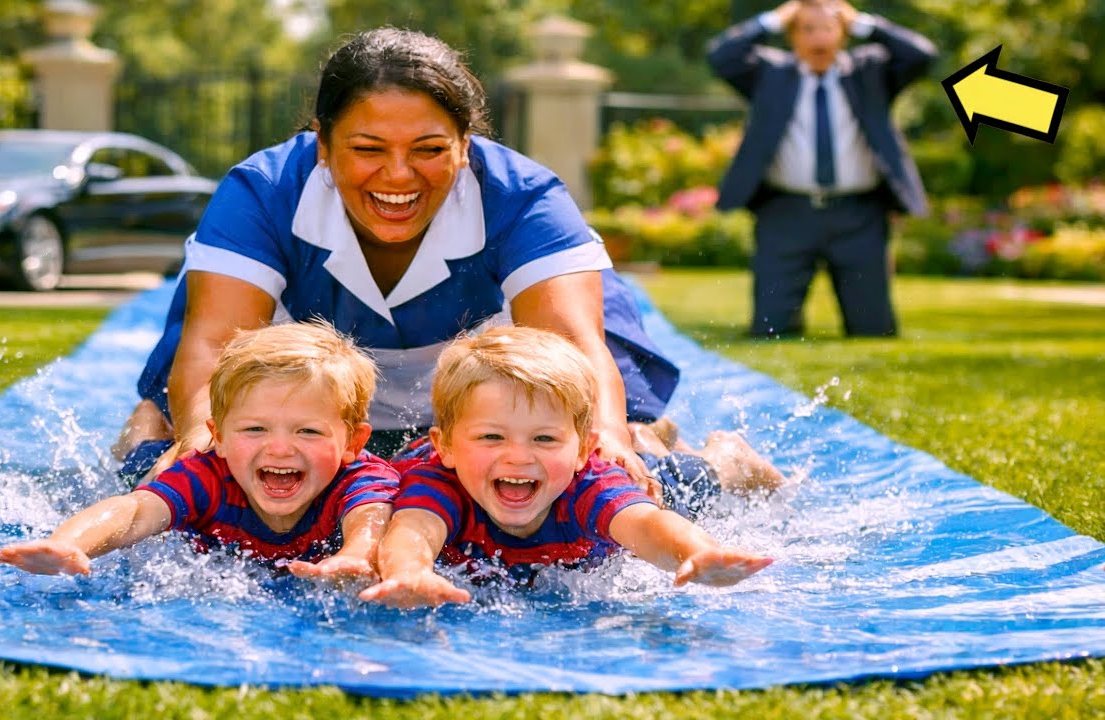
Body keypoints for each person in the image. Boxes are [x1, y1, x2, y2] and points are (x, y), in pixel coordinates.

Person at [115, 27, 781, 505]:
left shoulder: (523, 197)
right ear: (322, 145)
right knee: (172, 463)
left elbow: (576, 347)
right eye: (368, 148)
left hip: (496, 368)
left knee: (622, 468)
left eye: (429, 148)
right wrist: (198, 436)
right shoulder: (263, 189)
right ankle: (153, 420)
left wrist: (608, 440)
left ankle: (713, 459)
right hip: (311, 371)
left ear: (467, 145)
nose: (398, 175)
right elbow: (212, 340)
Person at [359, 326, 775, 608]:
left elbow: (648, 526)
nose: (518, 456)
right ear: (445, 447)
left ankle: (722, 454)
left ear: (582, 450)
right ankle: (648, 433)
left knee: (688, 486)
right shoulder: (436, 481)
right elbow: (412, 531)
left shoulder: (590, 482)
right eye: (491, 437)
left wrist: (698, 553)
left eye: (543, 438)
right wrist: (409, 573)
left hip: (639, 472)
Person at [0, 321, 399, 580]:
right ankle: (149, 421)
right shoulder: (205, 475)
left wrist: (356, 556)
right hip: (158, 467)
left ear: (352, 443)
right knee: (140, 462)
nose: (279, 448)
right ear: (218, 436)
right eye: (254, 428)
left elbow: (372, 518)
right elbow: (133, 511)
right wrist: (69, 544)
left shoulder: (361, 480)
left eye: (308, 431)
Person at [707, 0, 937, 338]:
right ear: (792, 36)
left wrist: (864, 23)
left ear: (844, 33)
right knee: (771, 329)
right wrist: (772, 19)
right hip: (786, 214)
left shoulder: (869, 72)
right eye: (807, 29)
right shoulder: (769, 74)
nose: (819, 39)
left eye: (828, 28)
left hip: (858, 217)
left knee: (873, 329)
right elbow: (720, 56)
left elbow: (922, 55)